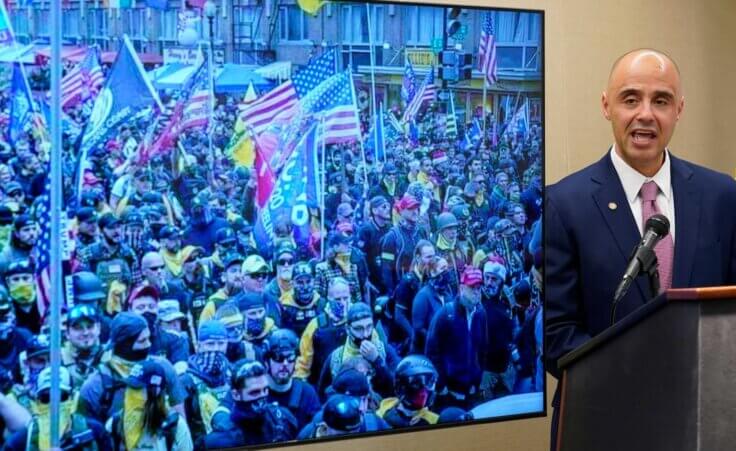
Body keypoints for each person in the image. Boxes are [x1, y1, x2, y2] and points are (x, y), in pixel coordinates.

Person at [545, 48, 736, 447]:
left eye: (661, 100)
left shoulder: (721, 195)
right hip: (602, 421)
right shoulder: (563, 204)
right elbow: (556, 337)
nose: (646, 113)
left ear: (679, 109)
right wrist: (643, 371)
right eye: (630, 99)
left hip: (703, 421)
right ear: (606, 106)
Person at [425, 266, 488, 411]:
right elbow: (432, 351)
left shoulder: (481, 313)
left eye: (479, 288)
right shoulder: (445, 314)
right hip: (449, 390)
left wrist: (478, 378)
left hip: (471, 388)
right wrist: (440, 385)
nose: (477, 293)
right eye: (472, 287)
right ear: (461, 288)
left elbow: (483, 348)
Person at [3, 367, 110, 451]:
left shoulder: (95, 431)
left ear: (72, 398)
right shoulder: (22, 441)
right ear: (37, 402)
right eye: (46, 398)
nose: (53, 404)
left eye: (61, 396)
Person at [200, 360, 298, 448]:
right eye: (254, 392)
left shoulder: (284, 420)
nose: (262, 396)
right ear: (236, 395)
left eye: (265, 390)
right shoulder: (217, 442)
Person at [108, 359, 194, 450]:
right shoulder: (115, 423)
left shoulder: (175, 427)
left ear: (155, 392)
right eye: (129, 388)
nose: (130, 394)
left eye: (137, 389)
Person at [181, 320, 232, 444]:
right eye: (210, 344)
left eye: (221, 344)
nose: (216, 349)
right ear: (199, 346)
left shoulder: (233, 374)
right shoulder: (186, 381)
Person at [263, 328, 320, 430]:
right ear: (266, 362)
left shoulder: (307, 392)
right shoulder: (257, 394)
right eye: (278, 357)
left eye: (290, 358)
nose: (285, 364)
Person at [376, 355, 439, 428]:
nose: (423, 393)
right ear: (401, 387)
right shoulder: (382, 414)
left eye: (430, 382)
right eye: (416, 383)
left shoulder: (436, 421)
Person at [61, 304, 107, 391]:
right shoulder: (58, 360)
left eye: (90, 327)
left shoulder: (111, 357)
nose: (85, 332)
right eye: (78, 328)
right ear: (67, 333)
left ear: (99, 328)